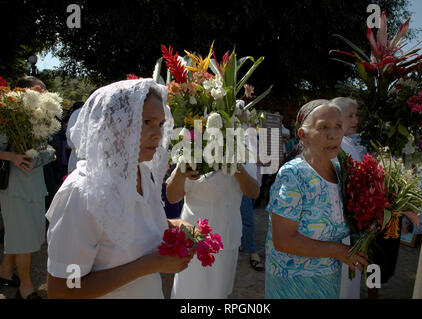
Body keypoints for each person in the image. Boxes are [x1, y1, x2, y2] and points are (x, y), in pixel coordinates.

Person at [46, 78, 194, 299]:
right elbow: (64, 290)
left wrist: (174, 225)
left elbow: (128, 227)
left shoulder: (143, 174)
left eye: (161, 124)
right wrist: (149, 265)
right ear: (113, 124)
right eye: (146, 122)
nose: (158, 134)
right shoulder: (81, 194)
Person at [265, 100, 369, 299]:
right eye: (323, 127)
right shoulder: (294, 174)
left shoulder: (342, 172)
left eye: (338, 126)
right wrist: (339, 250)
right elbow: (283, 240)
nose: (333, 134)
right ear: (303, 136)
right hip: (291, 283)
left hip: (328, 280)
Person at [166, 154, 260, 298]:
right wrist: (180, 172)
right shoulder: (191, 151)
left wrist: (236, 167)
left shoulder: (241, 153)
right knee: (189, 289)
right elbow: (172, 198)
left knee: (218, 291)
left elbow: (253, 192)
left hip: (226, 236)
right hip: (193, 238)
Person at [0, 76, 56, 299]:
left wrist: (46, 153)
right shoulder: (7, 117)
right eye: (39, 91)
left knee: (25, 234)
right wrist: (12, 156)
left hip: (33, 183)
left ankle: (5, 271)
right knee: (23, 239)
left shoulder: (34, 119)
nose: (43, 95)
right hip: (15, 186)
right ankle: (26, 288)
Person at [331, 97, 363, 299]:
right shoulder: (333, 146)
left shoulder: (348, 143)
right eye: (350, 115)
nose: (356, 120)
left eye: (356, 115)